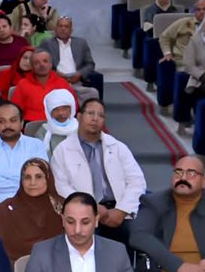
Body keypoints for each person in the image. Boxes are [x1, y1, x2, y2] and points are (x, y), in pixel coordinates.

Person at [51, 99, 146, 247]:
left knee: (140, 237)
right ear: (79, 117)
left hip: (120, 211)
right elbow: (61, 187)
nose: (95, 118)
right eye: (90, 113)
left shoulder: (117, 147)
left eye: (100, 115)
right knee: (92, 242)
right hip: (84, 213)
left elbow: (137, 181)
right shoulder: (62, 151)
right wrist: (92, 207)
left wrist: (121, 210)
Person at [0, 101, 49, 209]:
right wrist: (25, 180)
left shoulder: (36, 145)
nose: (7, 125)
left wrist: (0, 171)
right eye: (2, 121)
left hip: (29, 206)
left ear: (22, 123)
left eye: (13, 120)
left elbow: (41, 179)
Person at [0, 157, 64, 262]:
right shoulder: (6, 209)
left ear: (48, 179)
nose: (32, 183)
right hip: (13, 268)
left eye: (38, 177)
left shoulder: (61, 207)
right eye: (27, 177)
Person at [37, 17, 99, 103]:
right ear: (55, 29)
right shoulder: (47, 43)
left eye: (66, 26)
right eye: (60, 26)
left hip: (75, 82)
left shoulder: (81, 43)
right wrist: (54, 74)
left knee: (92, 93)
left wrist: (80, 74)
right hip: (55, 80)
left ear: (71, 30)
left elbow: (90, 64)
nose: (63, 29)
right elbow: (38, 62)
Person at [13, 50, 75, 122]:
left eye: (45, 61)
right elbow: (15, 110)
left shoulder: (62, 83)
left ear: (51, 64)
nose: (41, 65)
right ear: (32, 67)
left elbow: (73, 107)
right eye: (36, 63)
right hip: (32, 123)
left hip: (59, 122)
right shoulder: (22, 84)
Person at [159, 0, 205, 67]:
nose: (202, 12)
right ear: (194, 12)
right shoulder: (183, 22)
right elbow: (165, 36)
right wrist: (167, 54)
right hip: (182, 61)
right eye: (198, 9)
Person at [33, 88, 78, 153]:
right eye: (55, 109)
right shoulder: (43, 132)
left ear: (72, 109)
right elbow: (40, 155)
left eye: (65, 108)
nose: (60, 113)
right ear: (49, 112)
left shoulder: (80, 128)